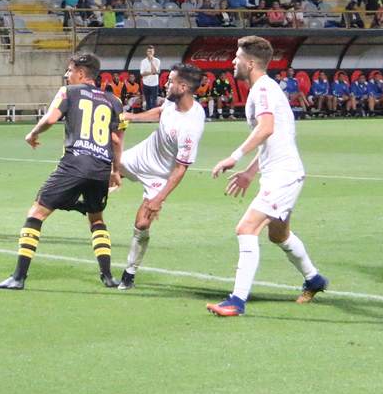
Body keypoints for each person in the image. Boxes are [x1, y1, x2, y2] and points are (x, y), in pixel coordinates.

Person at [204, 36, 327, 316]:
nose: (233, 62)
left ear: (249, 62)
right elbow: (273, 138)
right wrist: (249, 173)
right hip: (282, 172)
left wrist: (234, 157)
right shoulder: (265, 88)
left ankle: (236, 301)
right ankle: (314, 279)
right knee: (279, 235)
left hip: (283, 175)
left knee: (246, 229)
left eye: (236, 57)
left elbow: (266, 129)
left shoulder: (261, 90)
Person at [0, 53, 126, 291]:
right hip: (100, 168)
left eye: (70, 70)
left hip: (75, 164)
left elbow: (51, 118)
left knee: (36, 213)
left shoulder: (69, 92)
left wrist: (32, 133)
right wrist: (116, 171)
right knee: (96, 218)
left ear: (81, 74)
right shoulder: (114, 101)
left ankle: (18, 277)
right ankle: (108, 276)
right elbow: (115, 140)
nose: (67, 75)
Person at [113, 64, 206, 290]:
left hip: (160, 175)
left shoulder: (190, 127)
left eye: (170, 81)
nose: (165, 83)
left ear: (183, 87)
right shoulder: (172, 102)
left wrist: (159, 198)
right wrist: (132, 117)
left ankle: (129, 273)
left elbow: (181, 169)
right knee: (102, 168)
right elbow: (160, 112)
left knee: (142, 223)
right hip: (140, 157)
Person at [138, 45, 162, 111]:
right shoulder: (143, 61)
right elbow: (142, 73)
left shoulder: (157, 61)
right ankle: (148, 116)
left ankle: (154, 116)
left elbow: (155, 71)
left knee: (154, 101)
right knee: (148, 101)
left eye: (151, 51)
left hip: (154, 84)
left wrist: (151, 61)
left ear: (153, 52)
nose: (150, 53)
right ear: (146, 52)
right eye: (148, 51)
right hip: (146, 83)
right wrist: (151, 72)